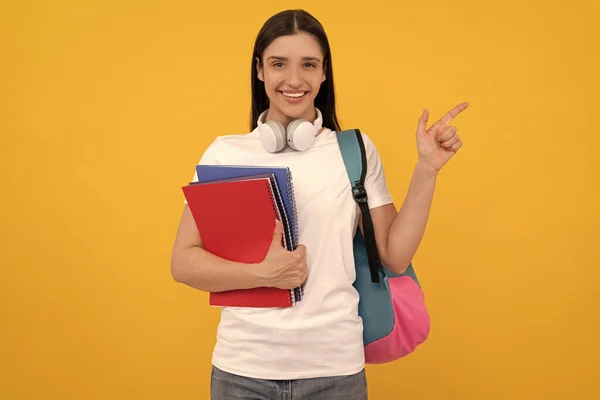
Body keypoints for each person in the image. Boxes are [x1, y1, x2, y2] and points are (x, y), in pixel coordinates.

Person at [170, 8, 468, 400]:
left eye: (308, 64)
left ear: (324, 72)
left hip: (335, 372)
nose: (294, 80)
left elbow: (394, 257)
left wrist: (427, 169)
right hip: (242, 370)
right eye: (279, 64)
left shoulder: (354, 150)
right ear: (260, 70)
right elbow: (184, 263)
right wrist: (265, 274)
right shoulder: (225, 153)